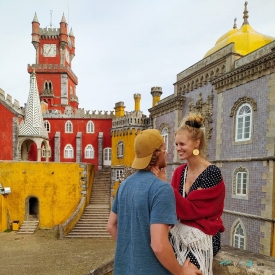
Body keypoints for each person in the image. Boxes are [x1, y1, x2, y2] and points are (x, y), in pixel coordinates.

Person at [107, 129, 202, 275]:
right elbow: (158, 245)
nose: (166, 153)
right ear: (157, 154)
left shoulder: (124, 185)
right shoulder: (161, 189)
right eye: (164, 149)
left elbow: (111, 226)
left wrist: (133, 253)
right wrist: (181, 272)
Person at [169, 113, 225, 275]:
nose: (178, 148)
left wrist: (164, 187)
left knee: (190, 270)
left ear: (196, 143)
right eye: (176, 144)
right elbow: (175, 208)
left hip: (204, 236)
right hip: (179, 234)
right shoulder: (179, 172)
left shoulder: (212, 173)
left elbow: (192, 210)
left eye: (182, 144)